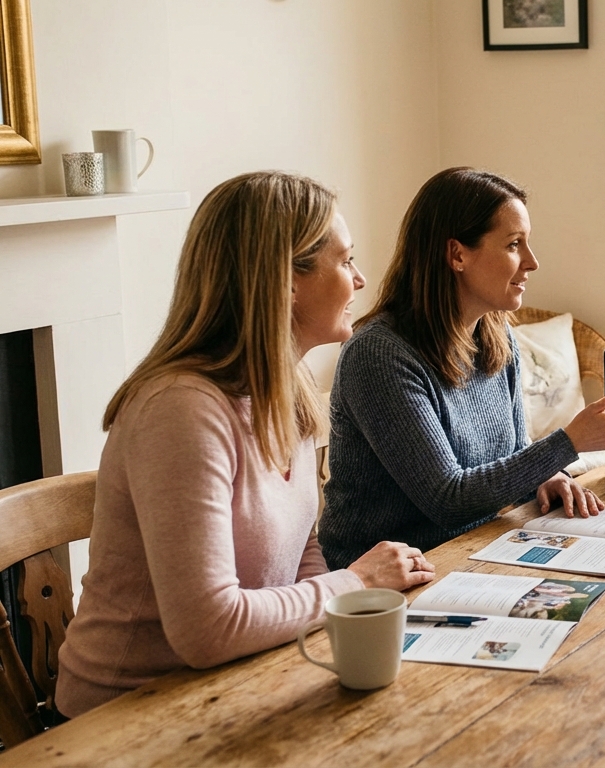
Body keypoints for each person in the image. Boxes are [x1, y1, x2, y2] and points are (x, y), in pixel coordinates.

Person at [56, 172, 436, 718]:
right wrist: (356, 581)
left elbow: (301, 558)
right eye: (345, 259)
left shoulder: (289, 392)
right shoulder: (180, 410)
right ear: (286, 280)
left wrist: (347, 621)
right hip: (126, 717)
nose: (359, 278)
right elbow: (207, 630)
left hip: (241, 683)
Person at [319, 168, 605, 569]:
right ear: (457, 254)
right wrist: (568, 442)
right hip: (385, 579)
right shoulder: (378, 355)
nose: (532, 262)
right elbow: (448, 500)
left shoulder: (497, 336)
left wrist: (545, 477)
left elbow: (511, 455)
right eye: (515, 244)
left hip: (478, 546)